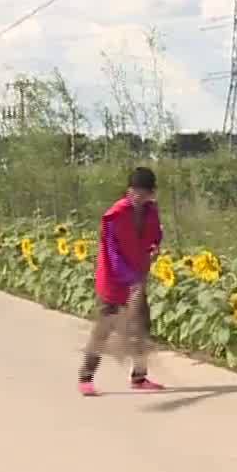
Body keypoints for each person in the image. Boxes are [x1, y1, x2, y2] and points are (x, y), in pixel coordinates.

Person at [79, 166, 166, 396]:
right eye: (134, 191)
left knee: (142, 326)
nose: (138, 197)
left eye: (144, 192)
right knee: (104, 329)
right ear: (128, 191)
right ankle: (85, 377)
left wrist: (154, 247)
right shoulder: (115, 215)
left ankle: (139, 377)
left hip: (137, 276)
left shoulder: (151, 211)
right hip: (114, 280)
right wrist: (130, 280)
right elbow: (112, 252)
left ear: (152, 193)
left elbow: (155, 235)